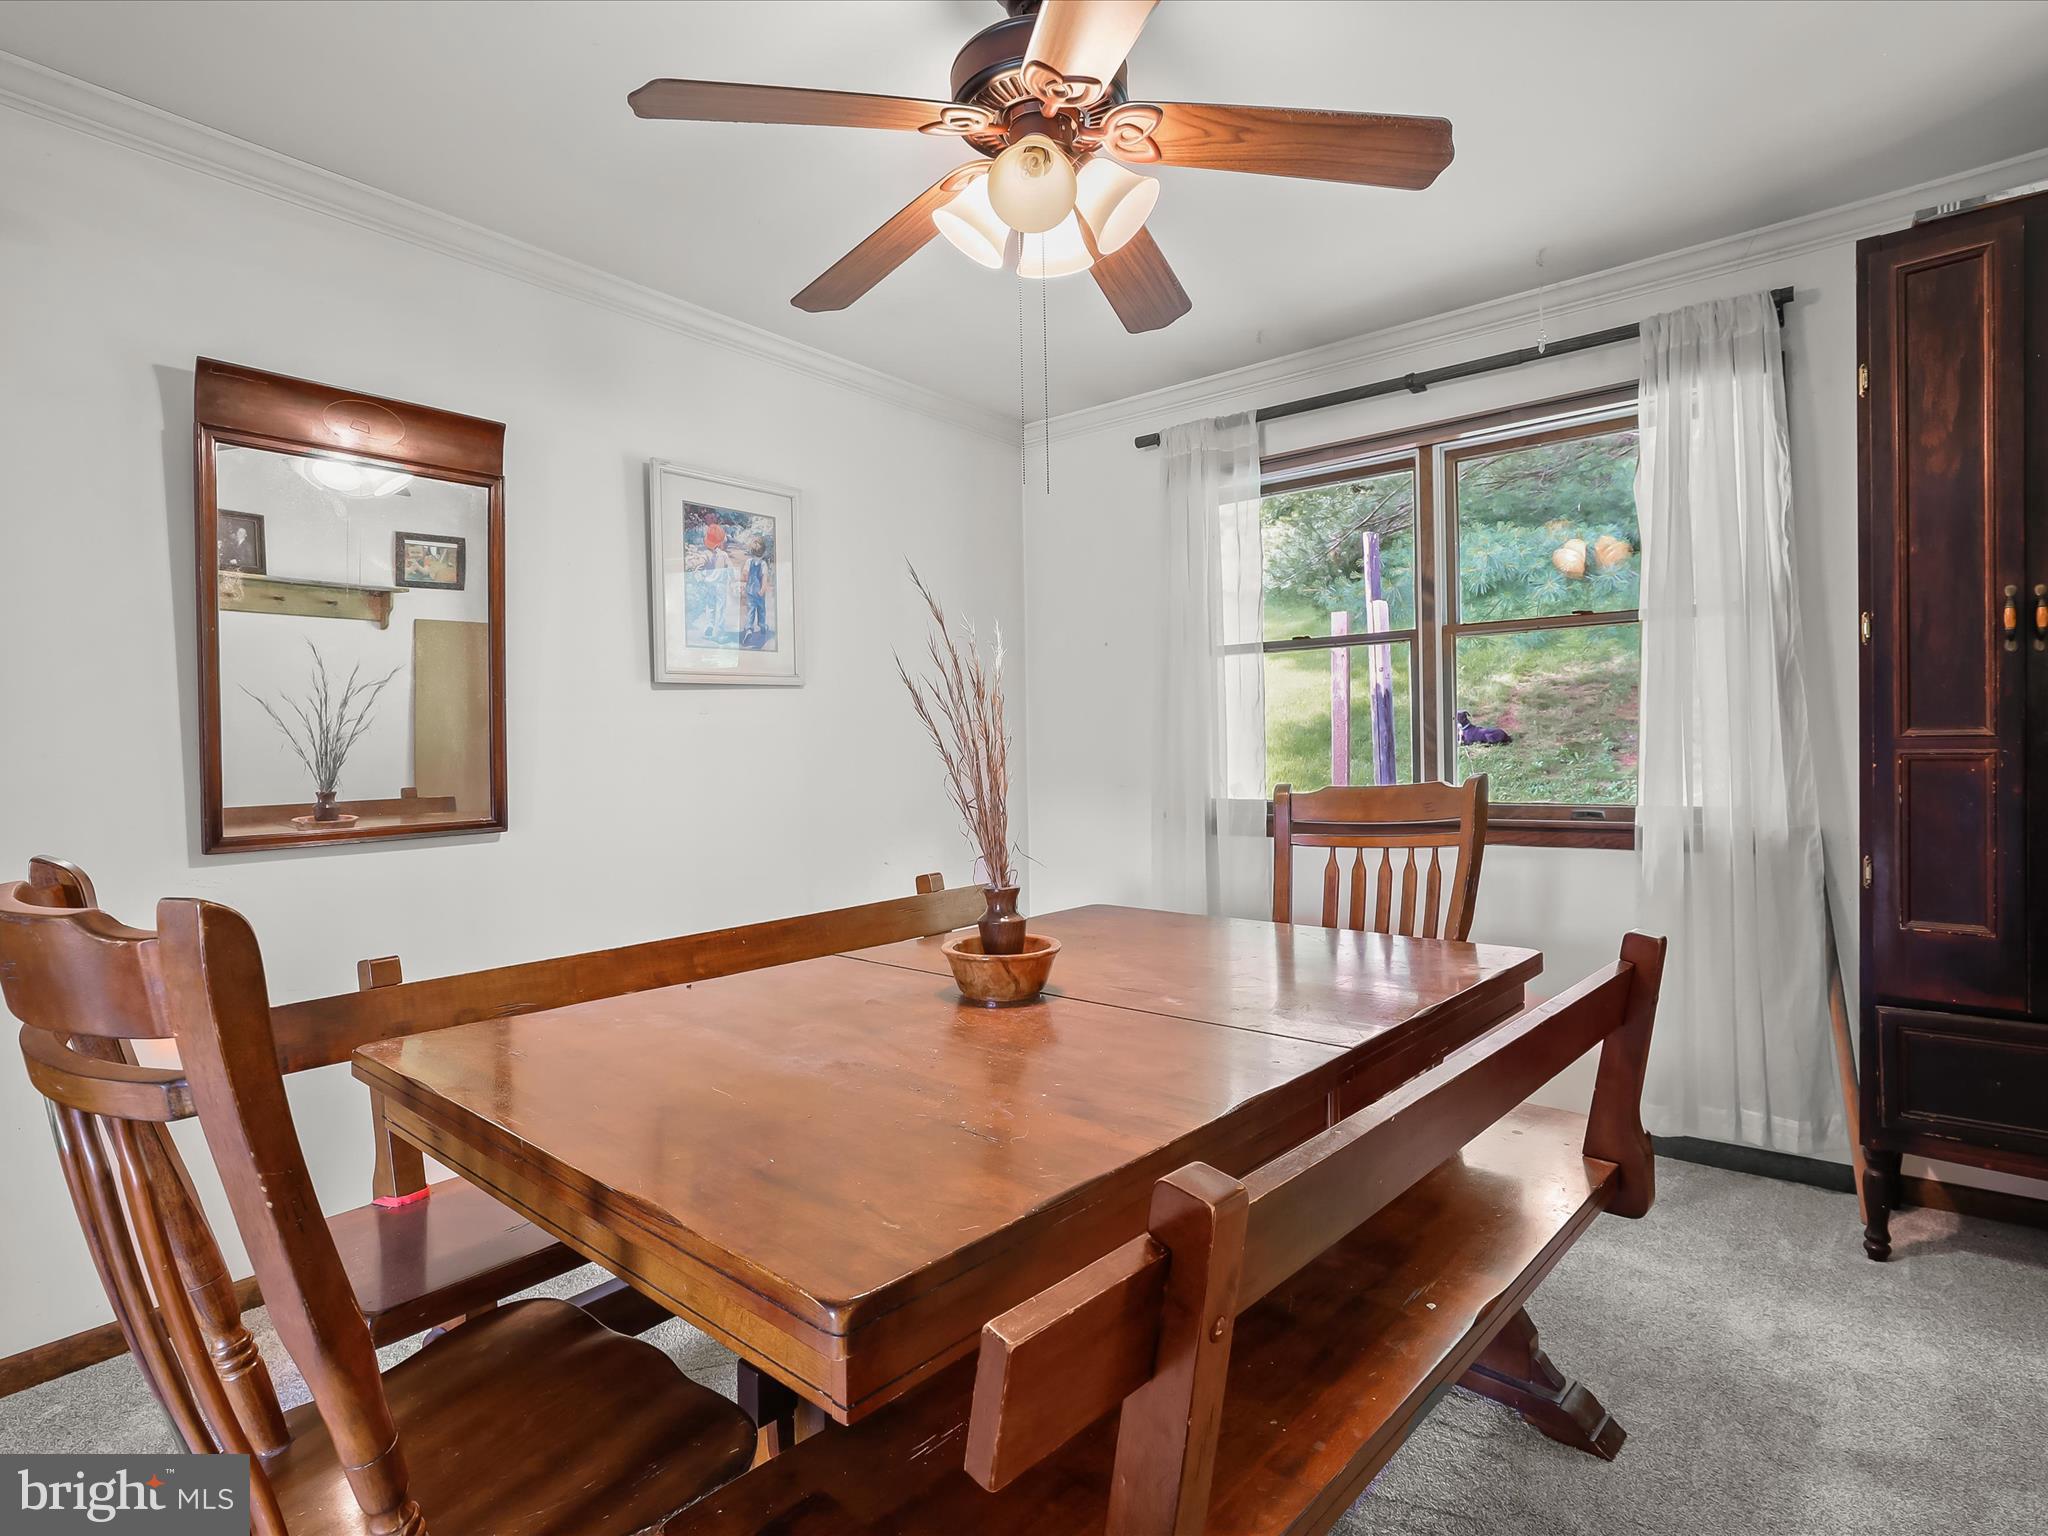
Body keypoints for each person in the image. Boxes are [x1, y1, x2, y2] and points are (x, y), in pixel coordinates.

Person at [743, 533, 769, 643]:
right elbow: (764, 577)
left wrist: (745, 580)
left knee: (751, 610)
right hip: (759, 592)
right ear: (763, 552)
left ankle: (749, 628)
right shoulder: (763, 564)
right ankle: (762, 625)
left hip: (750, 591)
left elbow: (745, 574)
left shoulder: (748, 562)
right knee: (761, 609)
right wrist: (763, 589)